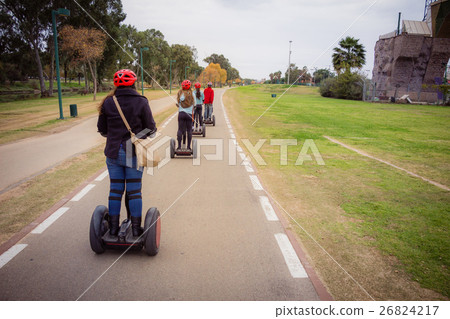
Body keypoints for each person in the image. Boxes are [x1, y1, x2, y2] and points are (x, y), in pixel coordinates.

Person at [97, 69, 157, 237]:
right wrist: (140, 135)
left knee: (115, 190)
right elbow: (151, 129)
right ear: (134, 83)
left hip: (113, 151)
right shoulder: (141, 101)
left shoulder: (108, 102)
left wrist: (115, 135)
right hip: (133, 151)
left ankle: (114, 228)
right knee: (134, 191)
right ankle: (137, 229)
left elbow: (102, 129)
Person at [176, 80, 195, 150]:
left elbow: (177, 104)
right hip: (189, 114)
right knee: (189, 130)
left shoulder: (180, 93)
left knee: (180, 129)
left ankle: (179, 147)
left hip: (181, 114)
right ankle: (188, 147)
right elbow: (194, 104)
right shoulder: (192, 94)